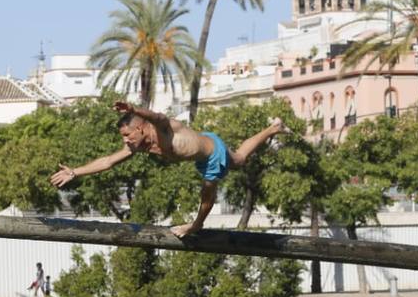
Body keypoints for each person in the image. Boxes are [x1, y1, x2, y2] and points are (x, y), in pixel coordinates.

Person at [51, 100, 286, 237]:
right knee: (240, 159)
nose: (125, 140)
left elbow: (157, 116)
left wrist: (134, 108)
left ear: (140, 129)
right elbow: (108, 161)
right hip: (206, 144)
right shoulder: (138, 145)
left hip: (211, 156)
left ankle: (196, 225)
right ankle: (274, 128)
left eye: (127, 135)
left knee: (207, 192)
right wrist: (75, 172)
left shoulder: (163, 129)